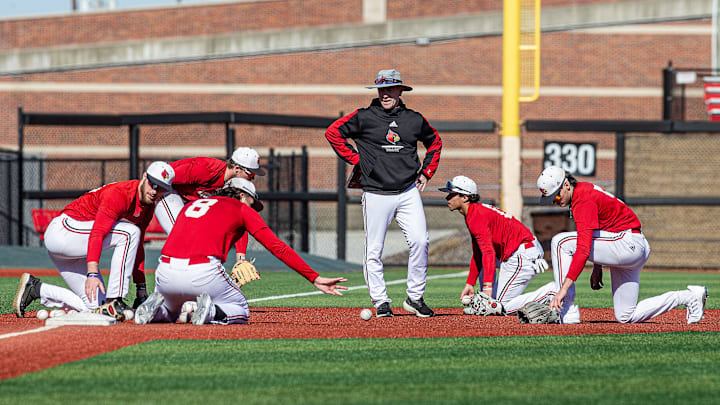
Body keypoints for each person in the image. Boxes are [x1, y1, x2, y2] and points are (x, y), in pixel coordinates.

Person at [134, 178, 348, 325]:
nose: (253, 208)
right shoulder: (241, 209)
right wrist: (314, 278)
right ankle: (211, 312)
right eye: (252, 202)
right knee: (240, 307)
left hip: (165, 272)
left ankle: (157, 309)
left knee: (172, 311)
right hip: (202, 272)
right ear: (243, 195)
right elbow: (277, 247)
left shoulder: (194, 205)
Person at [325, 68, 442, 318]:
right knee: (374, 250)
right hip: (376, 192)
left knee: (421, 242)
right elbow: (332, 133)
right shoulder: (363, 117)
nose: (385, 93)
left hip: (408, 190)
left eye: (390, 88)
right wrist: (355, 158)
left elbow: (435, 143)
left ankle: (415, 298)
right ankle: (380, 301)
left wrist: (426, 172)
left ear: (400, 90)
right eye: (381, 89)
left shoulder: (414, 119)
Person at [537, 165, 708, 324]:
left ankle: (566, 309)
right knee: (626, 315)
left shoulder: (583, 198)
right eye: (551, 199)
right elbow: (601, 230)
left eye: (556, 195)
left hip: (626, 243)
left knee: (560, 242)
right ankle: (689, 297)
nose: (555, 201)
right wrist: (598, 267)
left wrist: (562, 291)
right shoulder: (584, 192)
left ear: (566, 184)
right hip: (630, 246)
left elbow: (583, 248)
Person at [12, 161, 175, 317]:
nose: (155, 191)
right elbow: (98, 233)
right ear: (144, 177)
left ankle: (36, 289)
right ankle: (115, 299)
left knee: (95, 306)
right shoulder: (120, 193)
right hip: (63, 231)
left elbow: (137, 246)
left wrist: (141, 288)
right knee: (129, 232)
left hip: (77, 245)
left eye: (161, 189)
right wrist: (92, 274)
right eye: (153, 184)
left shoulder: (148, 207)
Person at [440, 175, 556, 315]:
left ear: (465, 197)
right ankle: (484, 302)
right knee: (493, 304)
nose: (448, 198)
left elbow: (489, 253)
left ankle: (550, 292)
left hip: (522, 252)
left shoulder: (476, 215)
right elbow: (479, 253)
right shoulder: (474, 213)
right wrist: (470, 283)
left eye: (452, 194)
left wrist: (487, 287)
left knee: (500, 307)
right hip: (519, 250)